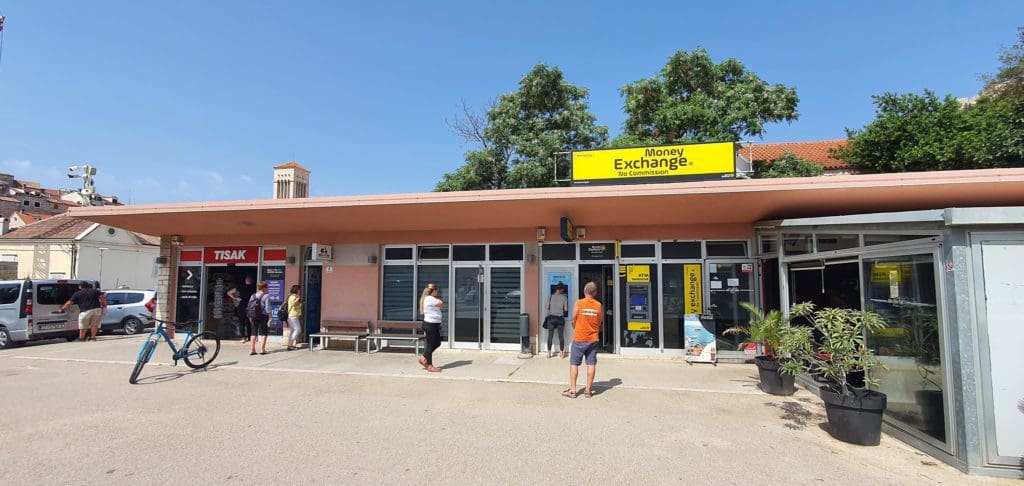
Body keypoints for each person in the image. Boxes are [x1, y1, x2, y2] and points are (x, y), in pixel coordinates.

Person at [563, 281, 602, 399]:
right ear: (595, 293)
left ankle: (573, 390)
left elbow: (573, 319)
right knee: (591, 363)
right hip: (593, 339)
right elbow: (600, 322)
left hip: (579, 338)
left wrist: (577, 329)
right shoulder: (598, 305)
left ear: (585, 291)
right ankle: (588, 390)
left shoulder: (579, 303)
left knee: (574, 363)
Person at [417, 283, 443, 372]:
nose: (437, 292)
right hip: (430, 325)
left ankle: (423, 357)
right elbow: (441, 303)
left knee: (437, 343)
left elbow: (439, 305)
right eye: (436, 290)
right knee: (431, 344)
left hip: (433, 324)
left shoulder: (429, 299)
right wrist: (438, 301)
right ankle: (429, 365)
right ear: (433, 291)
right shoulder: (430, 298)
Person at [228, 275, 256, 342]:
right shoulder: (254, 288)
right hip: (250, 306)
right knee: (249, 322)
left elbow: (228, 293)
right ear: (251, 281)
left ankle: (243, 337)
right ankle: (249, 337)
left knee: (241, 322)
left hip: (241, 306)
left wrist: (235, 298)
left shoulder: (240, 287)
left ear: (245, 280)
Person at [544, 282, 568, 358]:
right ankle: (561, 353)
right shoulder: (564, 297)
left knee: (550, 336)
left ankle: (549, 353)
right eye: (563, 290)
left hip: (551, 319)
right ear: (561, 289)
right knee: (561, 336)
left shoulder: (550, 296)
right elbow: (566, 309)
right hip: (560, 319)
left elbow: (547, 307)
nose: (563, 291)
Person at [248, 281, 272, 356]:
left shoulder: (253, 295)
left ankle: (252, 349)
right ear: (264, 287)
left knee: (253, 332)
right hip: (263, 315)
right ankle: (262, 349)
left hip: (254, 315)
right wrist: (270, 317)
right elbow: (268, 308)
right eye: (266, 287)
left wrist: (250, 316)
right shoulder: (266, 296)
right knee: (263, 332)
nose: (267, 289)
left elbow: (249, 306)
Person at [285, 284, 302, 351]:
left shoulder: (292, 296)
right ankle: (290, 344)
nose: (300, 291)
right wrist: (297, 299)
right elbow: (293, 304)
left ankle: (290, 345)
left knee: (292, 330)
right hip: (293, 316)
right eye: (299, 289)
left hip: (292, 315)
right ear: (297, 290)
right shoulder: (293, 296)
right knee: (298, 329)